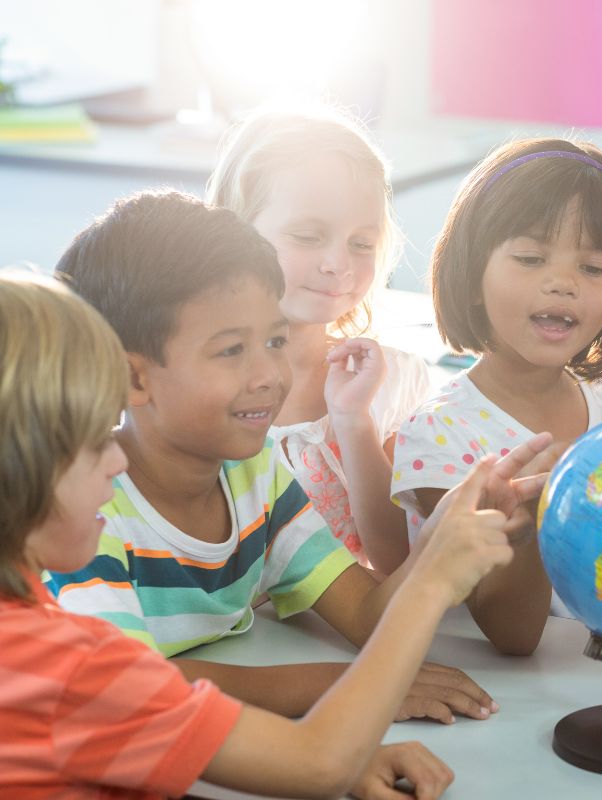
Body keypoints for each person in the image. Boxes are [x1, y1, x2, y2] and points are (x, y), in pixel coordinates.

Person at [46, 191, 552, 726]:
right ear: (133, 378)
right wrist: (341, 688)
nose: (270, 375)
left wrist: (441, 539)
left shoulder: (257, 476)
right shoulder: (84, 507)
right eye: (231, 350)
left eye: (275, 341)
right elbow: (123, 685)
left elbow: (366, 614)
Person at [0, 272, 498, 798]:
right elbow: (318, 764)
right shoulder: (65, 666)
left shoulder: (28, 621)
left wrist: (336, 755)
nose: (115, 459)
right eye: (90, 443)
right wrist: (430, 584)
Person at [389, 138, 602, 654]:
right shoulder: (440, 435)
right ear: (470, 279)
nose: (562, 283)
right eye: (531, 258)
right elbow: (512, 634)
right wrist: (538, 513)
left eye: (593, 268)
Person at [207, 105, 430, 569]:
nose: (338, 264)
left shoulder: (390, 383)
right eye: (308, 236)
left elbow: (395, 560)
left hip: (345, 636)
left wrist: (353, 423)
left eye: (362, 243)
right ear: (232, 231)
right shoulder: (194, 378)